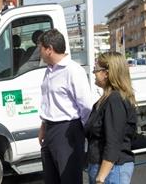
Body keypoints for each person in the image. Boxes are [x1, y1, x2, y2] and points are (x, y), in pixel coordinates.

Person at [37, 29, 93, 184]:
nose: (39, 52)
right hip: (50, 129)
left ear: (49, 49)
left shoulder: (73, 71)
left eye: (40, 48)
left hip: (67, 130)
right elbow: (48, 101)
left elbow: (86, 106)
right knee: (51, 179)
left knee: (69, 178)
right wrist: (43, 126)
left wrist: (77, 131)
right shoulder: (49, 70)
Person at [85, 52, 137, 184]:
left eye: (96, 69)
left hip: (111, 171)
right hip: (106, 169)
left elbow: (113, 142)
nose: (93, 73)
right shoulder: (107, 99)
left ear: (106, 73)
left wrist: (101, 177)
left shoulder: (115, 100)